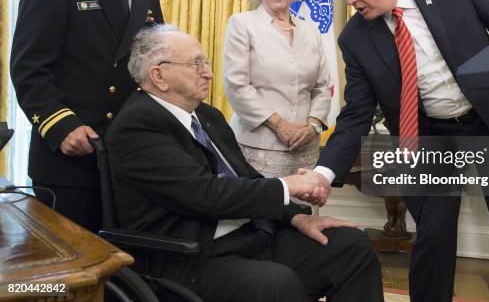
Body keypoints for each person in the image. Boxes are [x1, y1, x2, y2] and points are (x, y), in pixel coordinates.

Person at [311, 0, 489, 302]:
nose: (349, 0)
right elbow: (356, 112)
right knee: (434, 236)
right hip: (427, 137)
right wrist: (323, 173)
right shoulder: (354, 38)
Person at [105, 25, 384, 302]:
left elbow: (247, 177)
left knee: (350, 246)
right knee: (277, 284)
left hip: (251, 235)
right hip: (192, 256)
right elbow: (206, 194)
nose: (208, 72)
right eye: (196, 64)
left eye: (206, 62)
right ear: (159, 75)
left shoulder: (206, 115)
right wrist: (289, 184)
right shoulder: (138, 125)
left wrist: (296, 217)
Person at [10, 0, 163, 233]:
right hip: (70, 160)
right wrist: (61, 127)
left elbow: (151, 71)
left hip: (125, 158)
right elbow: (28, 68)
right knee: (66, 272)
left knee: (117, 270)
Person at [223, 0, 331, 178]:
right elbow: (236, 86)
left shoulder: (311, 30)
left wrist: (313, 125)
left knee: (304, 210)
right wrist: (279, 124)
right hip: (258, 146)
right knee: (261, 212)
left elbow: (322, 88)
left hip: (305, 146)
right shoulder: (242, 24)